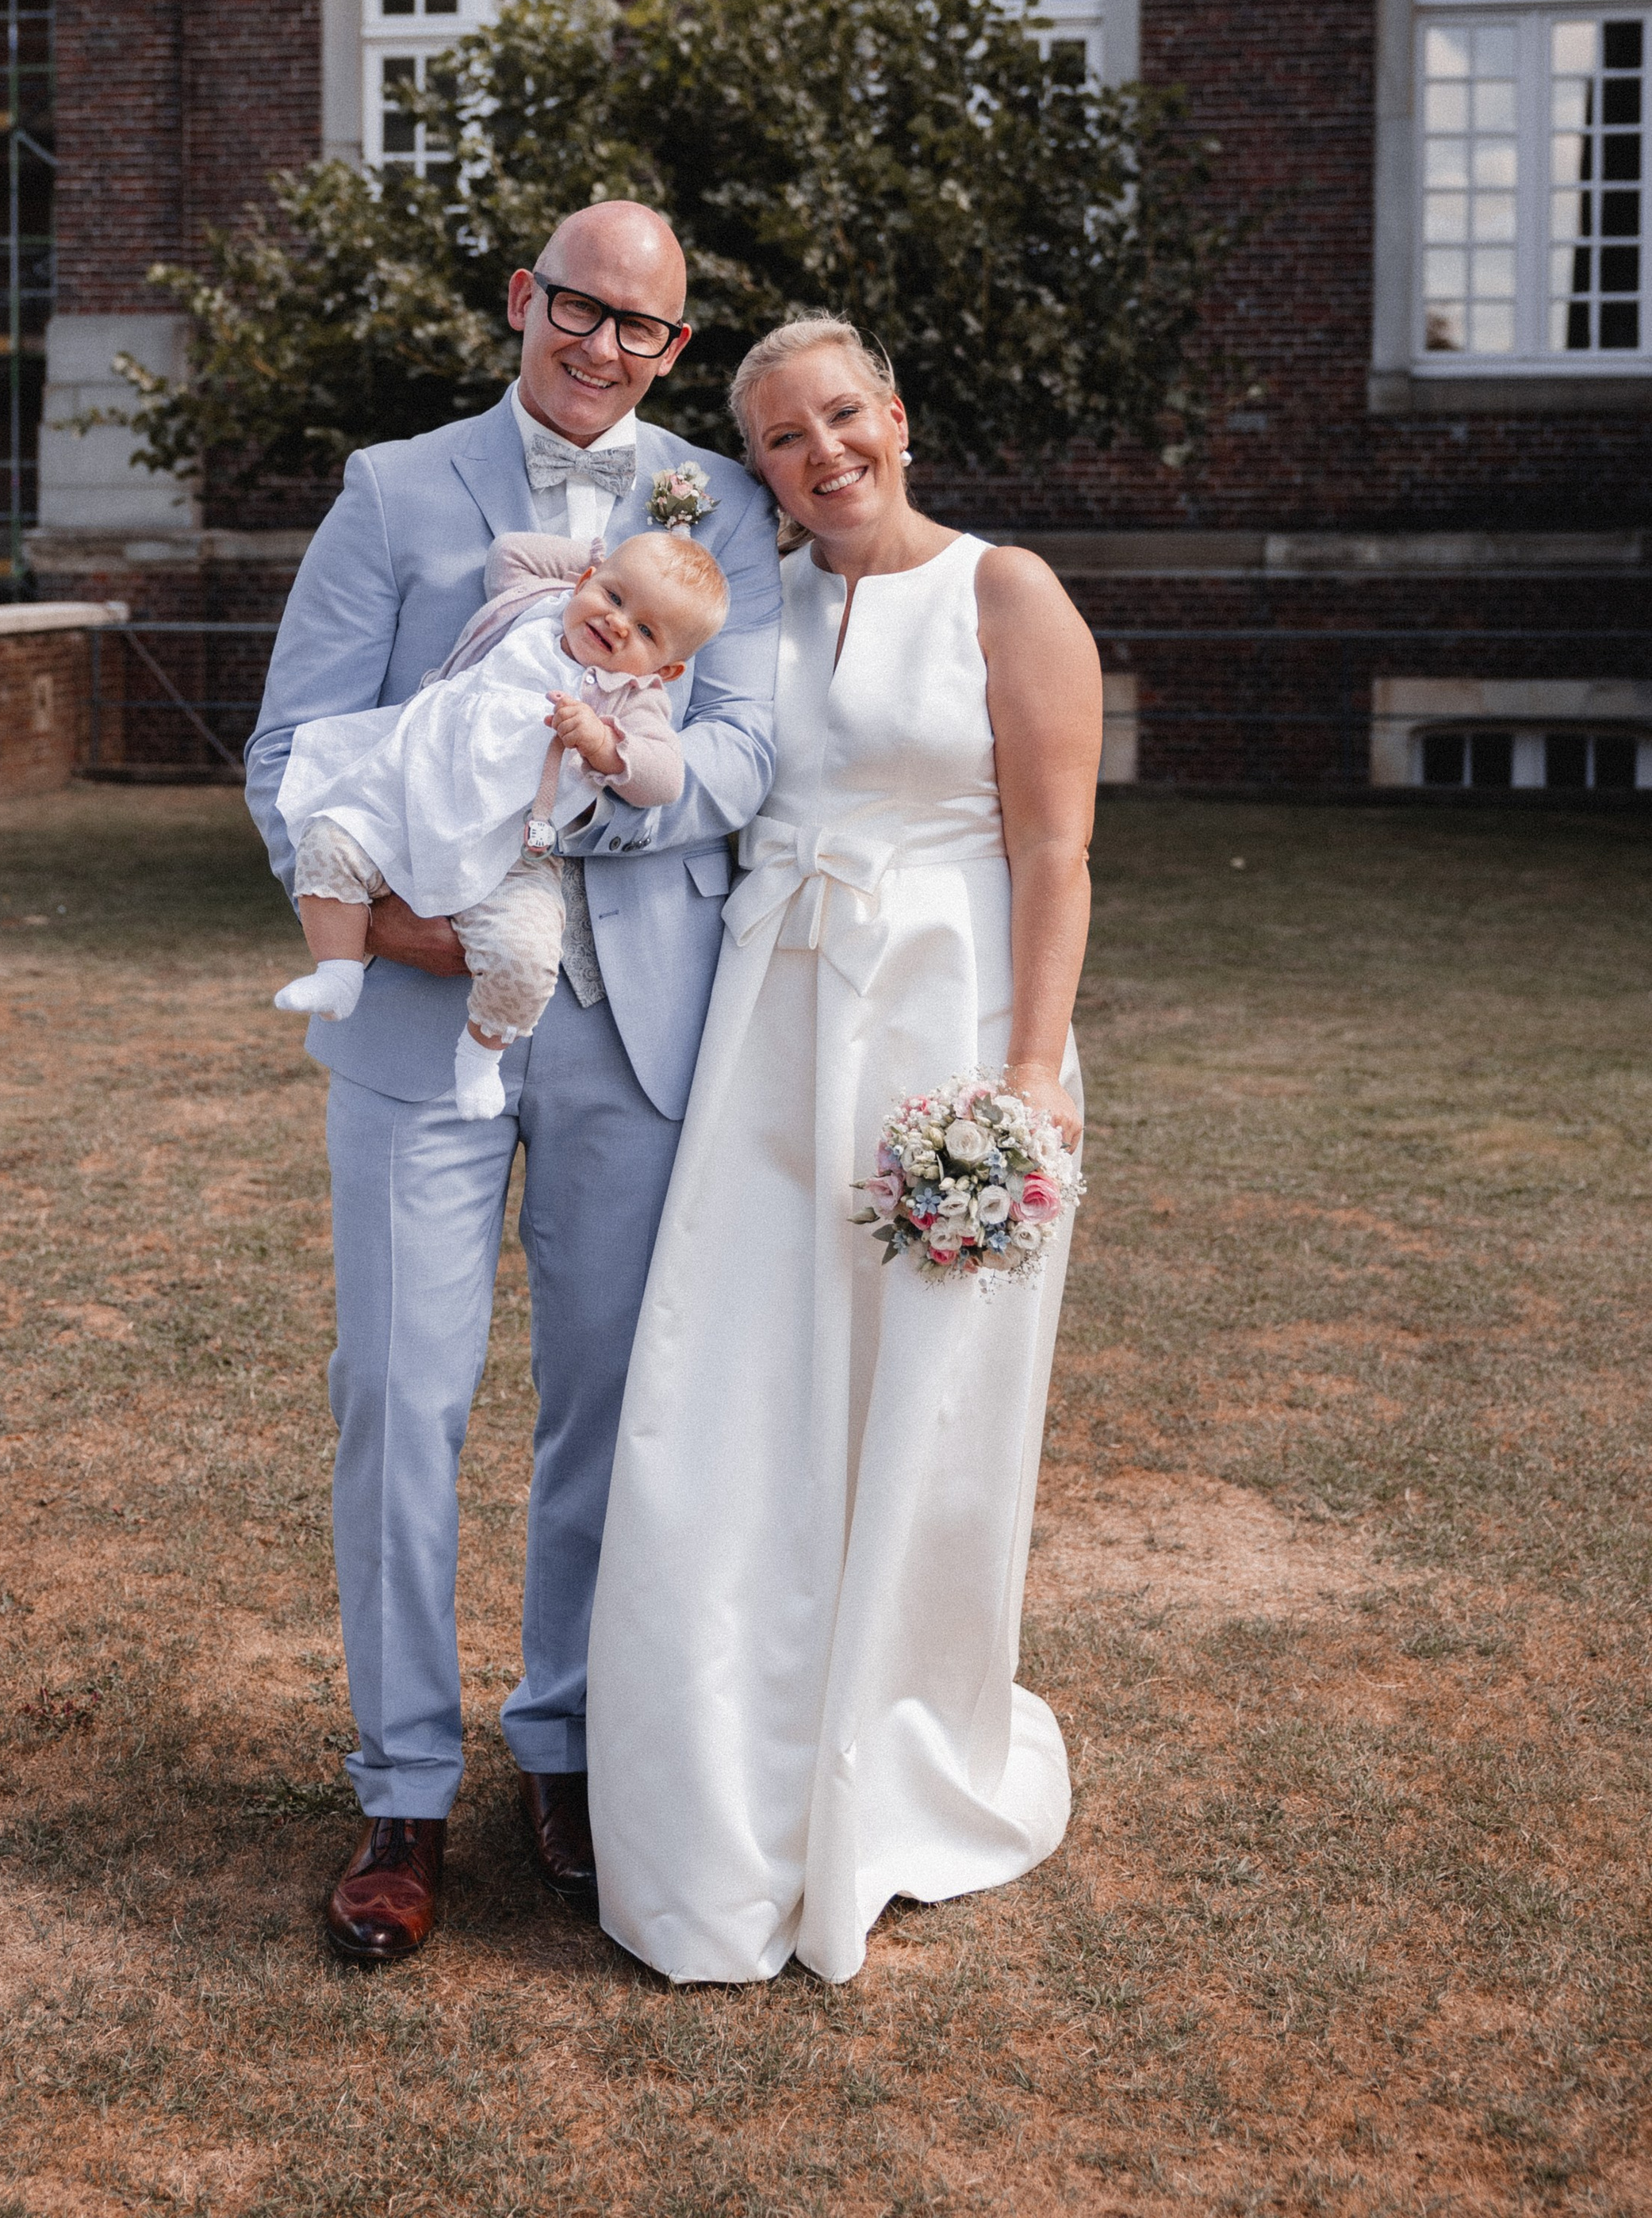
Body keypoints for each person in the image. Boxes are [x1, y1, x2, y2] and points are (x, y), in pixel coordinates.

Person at [243, 202, 781, 1965]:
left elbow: (746, 751)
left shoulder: (725, 503)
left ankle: (559, 1744)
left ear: (674, 351)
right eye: (576, 306)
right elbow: (287, 748)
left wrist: (627, 770)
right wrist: (404, 930)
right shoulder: (394, 491)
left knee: (605, 1406)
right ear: (519, 300)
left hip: (633, 1018)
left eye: (640, 327)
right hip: (414, 1003)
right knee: (398, 1395)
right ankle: (401, 1786)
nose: (600, 344)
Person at [586, 314, 1102, 1986]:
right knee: (727, 1394)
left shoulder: (1002, 593)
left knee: (920, 1408)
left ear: (895, 414)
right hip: (765, 1035)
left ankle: (896, 1752)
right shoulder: (746, 610)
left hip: (938, 1039)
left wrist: (1023, 1076)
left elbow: (1052, 847)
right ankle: (718, 1767)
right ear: (755, 469)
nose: (821, 456)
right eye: (781, 441)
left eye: (840, 419)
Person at [273, 528, 729, 1120]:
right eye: (615, 598)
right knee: (329, 839)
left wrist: (604, 744)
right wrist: (600, 560)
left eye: (646, 631)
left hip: (512, 852)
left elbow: (666, 778)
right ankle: (337, 971)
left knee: (526, 953)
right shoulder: (532, 608)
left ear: (666, 671)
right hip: (411, 803)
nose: (618, 624)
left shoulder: (630, 697)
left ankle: (480, 1054)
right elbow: (509, 552)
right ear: (585, 583)